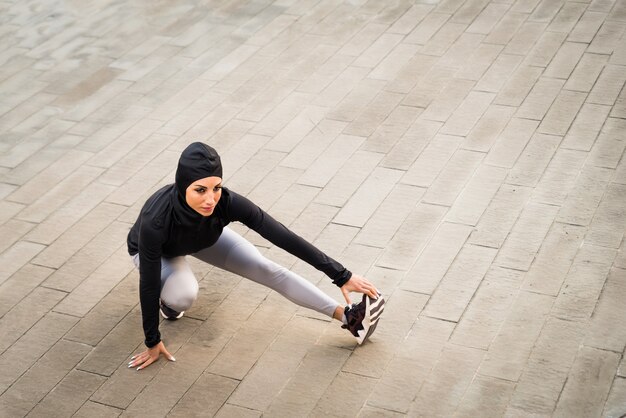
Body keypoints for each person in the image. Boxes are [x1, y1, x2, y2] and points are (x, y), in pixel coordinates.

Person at [126, 142, 384, 370]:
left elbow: (283, 236)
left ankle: (350, 318)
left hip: (201, 239)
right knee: (184, 295)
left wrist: (341, 275)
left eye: (216, 187)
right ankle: (169, 304)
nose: (210, 199)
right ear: (183, 186)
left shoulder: (226, 202)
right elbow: (147, 284)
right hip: (160, 253)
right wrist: (153, 341)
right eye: (200, 190)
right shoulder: (156, 220)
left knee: (265, 267)